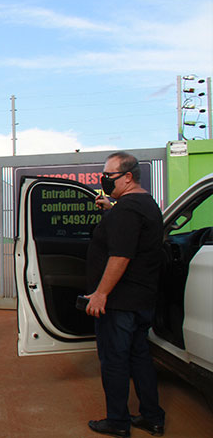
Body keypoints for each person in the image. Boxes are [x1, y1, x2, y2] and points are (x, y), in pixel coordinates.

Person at [85, 152, 166, 437]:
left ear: (128, 177)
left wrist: (101, 294)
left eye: (109, 175)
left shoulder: (127, 210)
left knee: (114, 361)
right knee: (139, 357)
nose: (105, 180)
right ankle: (152, 417)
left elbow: (121, 255)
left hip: (119, 302)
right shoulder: (145, 205)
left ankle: (118, 422)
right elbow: (133, 237)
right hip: (141, 299)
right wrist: (111, 210)